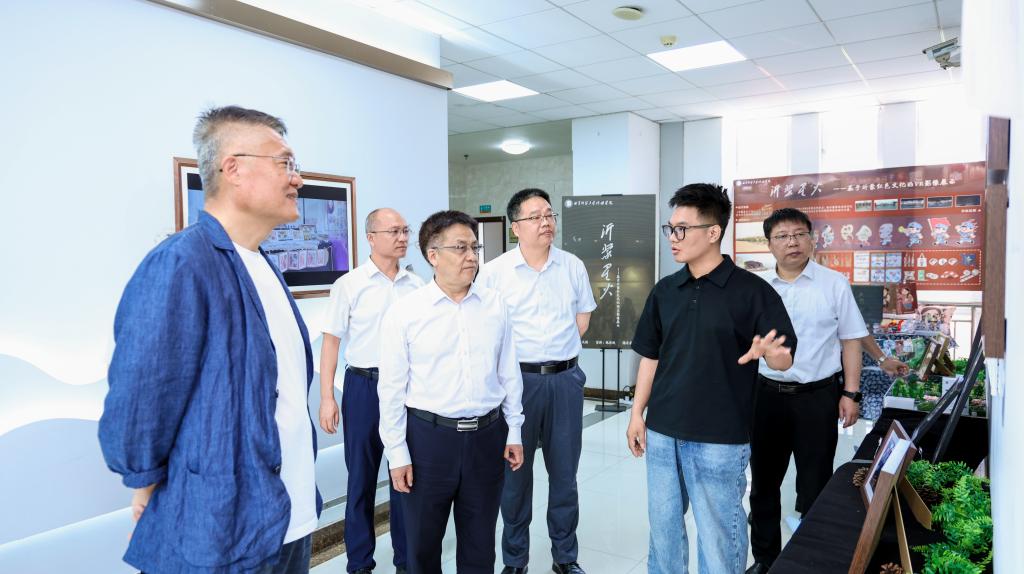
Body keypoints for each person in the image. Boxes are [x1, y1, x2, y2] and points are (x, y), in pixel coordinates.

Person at [98, 105, 320, 573]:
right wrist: (146, 484)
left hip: (289, 517)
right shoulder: (182, 263)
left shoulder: (262, 265)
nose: (297, 178)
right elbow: (141, 400)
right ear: (233, 169)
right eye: (285, 163)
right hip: (221, 531)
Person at [626, 183, 798, 574]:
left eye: (682, 229)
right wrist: (637, 413)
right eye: (670, 228)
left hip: (719, 438)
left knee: (719, 537)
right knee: (664, 533)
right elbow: (651, 356)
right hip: (663, 431)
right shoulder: (665, 291)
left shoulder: (752, 292)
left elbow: (784, 357)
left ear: (713, 232)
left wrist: (771, 352)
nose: (673, 237)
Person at [377, 210, 525, 574]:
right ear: (433, 255)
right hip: (428, 441)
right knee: (423, 548)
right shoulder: (405, 313)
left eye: (475, 247)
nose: (471, 256)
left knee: (480, 548)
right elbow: (392, 390)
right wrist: (397, 452)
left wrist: (515, 430)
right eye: (460, 248)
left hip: (487, 438)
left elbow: (508, 371)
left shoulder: (495, 305)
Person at [477, 189, 597, 574]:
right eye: (535, 217)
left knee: (565, 474)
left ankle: (565, 557)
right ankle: (515, 560)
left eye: (549, 215)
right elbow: (486, 330)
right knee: (515, 476)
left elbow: (583, 318)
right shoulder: (495, 273)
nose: (546, 222)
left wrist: (558, 355)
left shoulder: (572, 265)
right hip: (518, 384)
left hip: (565, 381)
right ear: (515, 227)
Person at [746, 208, 869, 574]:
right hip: (765, 397)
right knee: (763, 484)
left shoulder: (834, 283)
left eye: (799, 234)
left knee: (815, 482)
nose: (792, 242)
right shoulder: (756, 287)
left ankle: (810, 560)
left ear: (812, 239)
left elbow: (851, 340)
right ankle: (765, 560)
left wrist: (851, 393)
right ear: (769, 245)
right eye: (782, 236)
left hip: (817, 397)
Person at [319, 208, 423, 574]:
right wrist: (327, 397)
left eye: (405, 230)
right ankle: (360, 563)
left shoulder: (416, 286)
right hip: (364, 387)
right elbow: (331, 342)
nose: (403, 237)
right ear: (371, 238)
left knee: (405, 477)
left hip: (407, 391)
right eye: (394, 231)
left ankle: (406, 562)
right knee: (361, 480)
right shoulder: (349, 285)